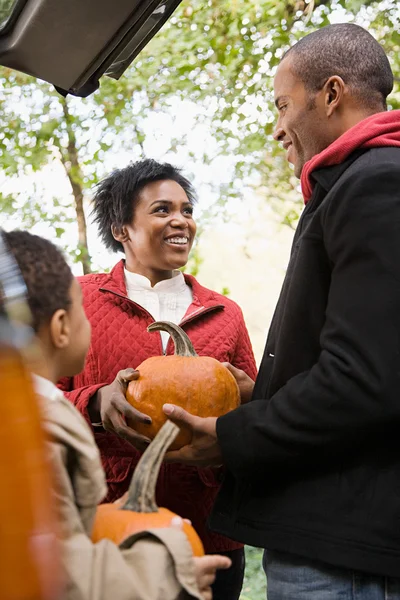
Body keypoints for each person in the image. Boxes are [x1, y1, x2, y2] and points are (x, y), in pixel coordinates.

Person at [160, 23, 400, 599]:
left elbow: (366, 379)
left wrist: (233, 435)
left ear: (332, 94)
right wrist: (259, 392)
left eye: (282, 105)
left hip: (344, 551)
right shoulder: (355, 184)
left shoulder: (376, 184)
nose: (277, 129)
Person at [58, 159, 257, 600]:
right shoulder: (76, 299)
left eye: (186, 210)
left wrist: (241, 418)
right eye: (162, 210)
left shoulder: (226, 314)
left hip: (207, 537)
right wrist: (94, 402)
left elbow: (255, 418)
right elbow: (34, 398)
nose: (180, 220)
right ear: (121, 229)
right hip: (104, 533)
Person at [4, 229, 231, 600]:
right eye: (82, 312)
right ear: (62, 327)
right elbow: (51, 566)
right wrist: (167, 565)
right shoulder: (33, 435)